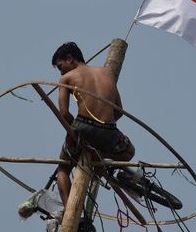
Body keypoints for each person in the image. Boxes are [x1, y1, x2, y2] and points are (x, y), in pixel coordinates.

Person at [51, 42, 135, 209]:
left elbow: (64, 113)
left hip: (83, 126)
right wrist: (103, 127)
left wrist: (73, 132)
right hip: (109, 130)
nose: (60, 71)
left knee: (63, 168)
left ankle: (68, 210)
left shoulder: (66, 78)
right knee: (129, 152)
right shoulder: (107, 74)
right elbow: (119, 111)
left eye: (60, 66)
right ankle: (101, 155)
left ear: (70, 58)